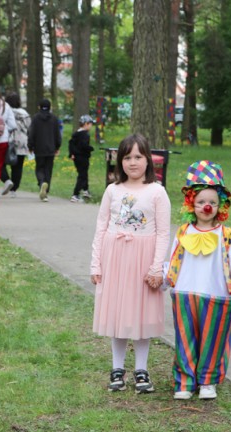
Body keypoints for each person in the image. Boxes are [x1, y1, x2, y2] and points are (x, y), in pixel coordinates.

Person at [163, 160, 231, 400]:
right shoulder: (183, 231)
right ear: (191, 203)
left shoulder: (227, 234)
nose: (207, 207)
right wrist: (161, 279)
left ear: (220, 205)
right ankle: (184, 381)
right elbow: (173, 261)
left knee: (214, 340)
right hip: (185, 293)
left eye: (212, 202)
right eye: (201, 201)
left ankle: (208, 381)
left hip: (218, 295)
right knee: (185, 338)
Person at [90, 133, 171, 393]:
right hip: (115, 257)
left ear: (148, 160)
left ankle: (141, 369)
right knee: (119, 312)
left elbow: (162, 232)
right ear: (119, 161)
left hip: (144, 259)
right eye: (127, 157)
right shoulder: (113, 190)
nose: (133, 162)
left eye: (138, 157)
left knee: (141, 312)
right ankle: (117, 368)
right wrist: (96, 264)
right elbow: (101, 227)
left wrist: (156, 266)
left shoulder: (157, 192)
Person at [27, 99, 62, 202]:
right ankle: (45, 192)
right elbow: (57, 134)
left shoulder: (36, 118)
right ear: (50, 107)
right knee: (48, 170)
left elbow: (31, 133)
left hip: (39, 148)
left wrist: (30, 146)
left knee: (39, 168)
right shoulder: (54, 119)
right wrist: (57, 147)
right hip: (50, 148)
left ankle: (42, 183)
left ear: (39, 107)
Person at [0, 93, 31, 198]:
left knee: (0, 164)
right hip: (21, 142)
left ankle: (7, 180)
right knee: (18, 167)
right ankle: (14, 189)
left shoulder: (4, 112)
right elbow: (29, 127)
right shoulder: (24, 113)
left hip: (6, 140)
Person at [69, 114, 95, 203]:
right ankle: (75, 194)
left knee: (83, 174)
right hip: (83, 157)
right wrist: (90, 148)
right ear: (86, 124)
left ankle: (86, 190)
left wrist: (71, 154)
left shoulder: (75, 134)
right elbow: (84, 146)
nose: (91, 126)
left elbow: (71, 144)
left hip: (76, 157)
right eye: (91, 124)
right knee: (82, 176)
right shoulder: (85, 135)